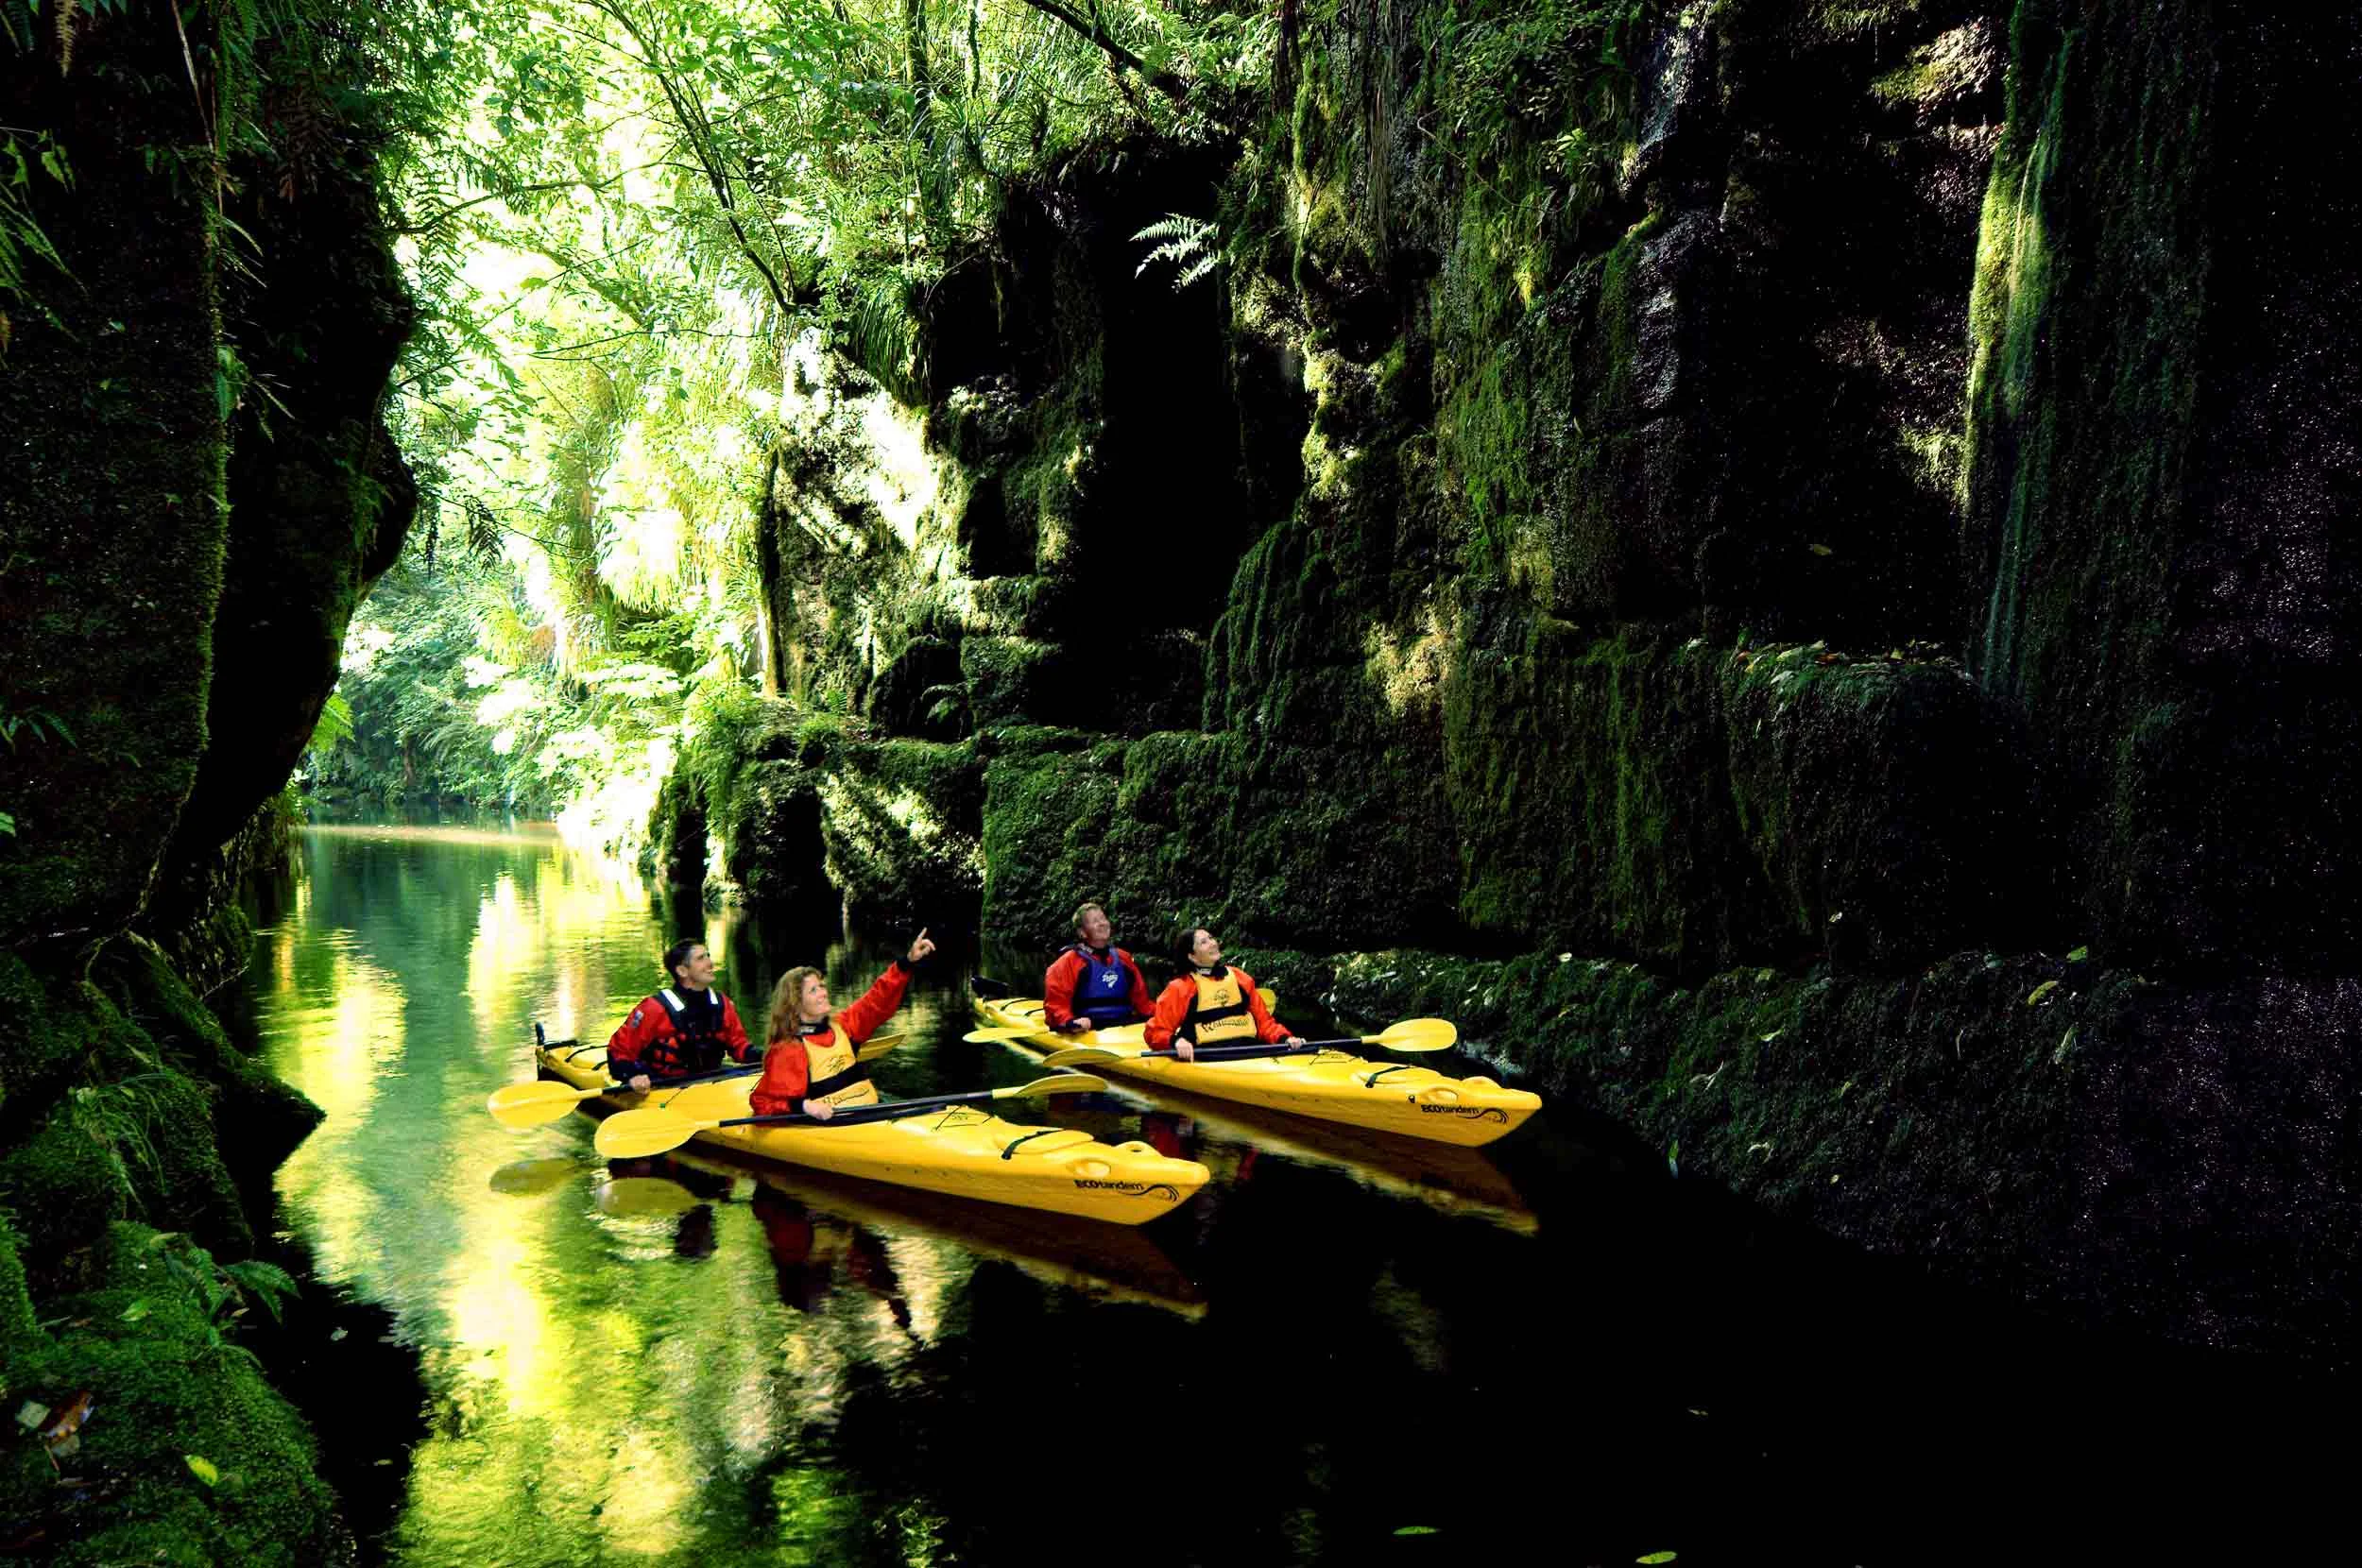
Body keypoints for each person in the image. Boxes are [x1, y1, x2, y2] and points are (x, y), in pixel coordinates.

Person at [749, 929, 936, 1120]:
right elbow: (762, 1102)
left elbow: (877, 1000)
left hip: (872, 1114)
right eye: (813, 990)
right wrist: (804, 1106)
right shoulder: (789, 1049)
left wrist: (906, 963)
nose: (823, 993)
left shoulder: (843, 1026)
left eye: (821, 986)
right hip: (837, 1130)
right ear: (795, 1005)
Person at [606, 939, 755, 1091]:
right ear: (682, 971)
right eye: (701, 958)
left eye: (708, 956)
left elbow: (739, 1046)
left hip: (710, 1078)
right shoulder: (654, 1008)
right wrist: (632, 1075)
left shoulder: (722, 1003)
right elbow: (618, 1051)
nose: (710, 963)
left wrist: (764, 1055)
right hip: (665, 1083)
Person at [1142, 927, 1303, 1062]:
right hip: (1207, 1056)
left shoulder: (1240, 978)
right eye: (1204, 942)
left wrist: (1285, 1038)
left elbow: (1265, 1023)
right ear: (1192, 956)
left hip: (1250, 1051)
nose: (1212, 943)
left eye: (1211, 938)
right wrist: (1176, 1041)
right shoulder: (1180, 988)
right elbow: (1155, 1032)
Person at [1042, 901, 1155, 1033]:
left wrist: (1168, 1014)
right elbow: (1056, 1005)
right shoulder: (1067, 963)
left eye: (1103, 918)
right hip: (1087, 1029)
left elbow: (1143, 1004)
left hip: (1124, 1027)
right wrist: (1070, 1021)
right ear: (1082, 932)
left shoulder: (1124, 958)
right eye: (1095, 921)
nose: (1102, 923)